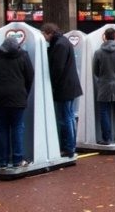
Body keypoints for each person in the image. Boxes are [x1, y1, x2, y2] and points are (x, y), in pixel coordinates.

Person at [0, 36, 34, 168]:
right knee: (17, 128)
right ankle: (17, 159)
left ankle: (3, 160)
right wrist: (24, 92)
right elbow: (30, 76)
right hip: (18, 96)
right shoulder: (23, 56)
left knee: (3, 129)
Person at [40, 23, 83, 158]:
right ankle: (70, 146)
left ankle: (68, 147)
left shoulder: (59, 45)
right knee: (69, 116)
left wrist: (51, 85)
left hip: (64, 87)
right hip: (69, 85)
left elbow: (57, 68)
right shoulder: (63, 42)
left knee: (65, 117)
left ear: (48, 33)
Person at [92, 27, 115, 145]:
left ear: (105, 37)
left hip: (104, 85)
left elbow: (96, 71)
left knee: (104, 112)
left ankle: (106, 138)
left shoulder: (98, 53)